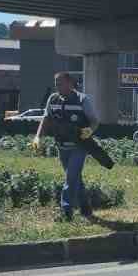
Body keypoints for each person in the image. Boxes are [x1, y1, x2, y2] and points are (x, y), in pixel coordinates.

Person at [33, 71, 99, 221]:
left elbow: (95, 121)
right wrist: (38, 137)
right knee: (75, 178)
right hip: (62, 146)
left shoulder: (83, 99)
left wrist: (90, 130)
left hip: (79, 146)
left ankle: (66, 211)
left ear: (70, 83)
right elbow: (46, 119)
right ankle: (85, 207)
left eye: (60, 83)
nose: (57, 86)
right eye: (56, 83)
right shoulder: (53, 99)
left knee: (70, 178)